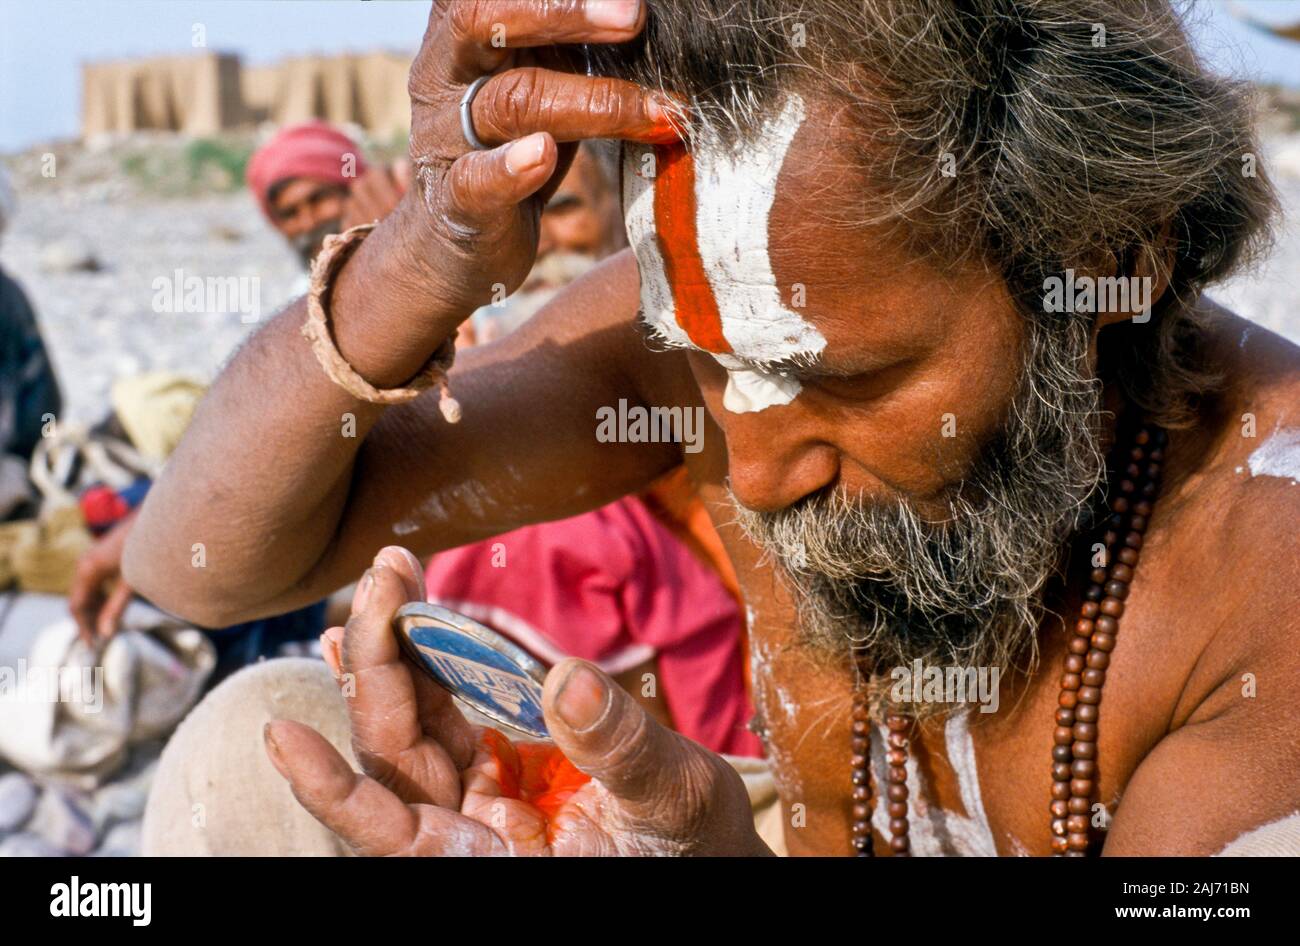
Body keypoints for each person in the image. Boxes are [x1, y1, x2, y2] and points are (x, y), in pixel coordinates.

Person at [126, 0, 1299, 857]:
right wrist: (417, 254)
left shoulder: (1268, 569)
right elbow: (203, 566)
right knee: (256, 752)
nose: (751, 466)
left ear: (1106, 264)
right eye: (706, 364)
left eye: (846, 378)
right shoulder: (741, 325)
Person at [245, 120, 408, 268]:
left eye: (318, 199)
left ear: (352, 189)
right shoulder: (306, 294)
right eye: (290, 213)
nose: (309, 223)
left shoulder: (409, 222)